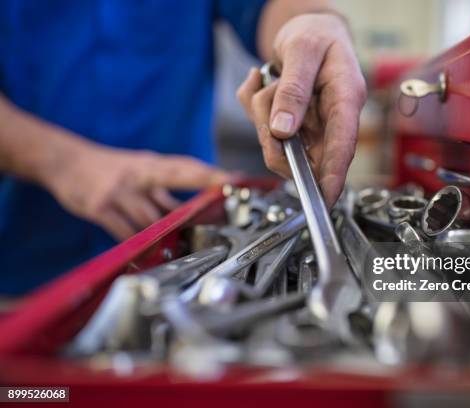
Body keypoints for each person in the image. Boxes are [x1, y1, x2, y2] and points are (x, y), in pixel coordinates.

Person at [0, 0, 366, 295]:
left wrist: (310, 24)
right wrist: (62, 162)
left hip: (187, 252)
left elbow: (270, 6)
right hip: (21, 270)